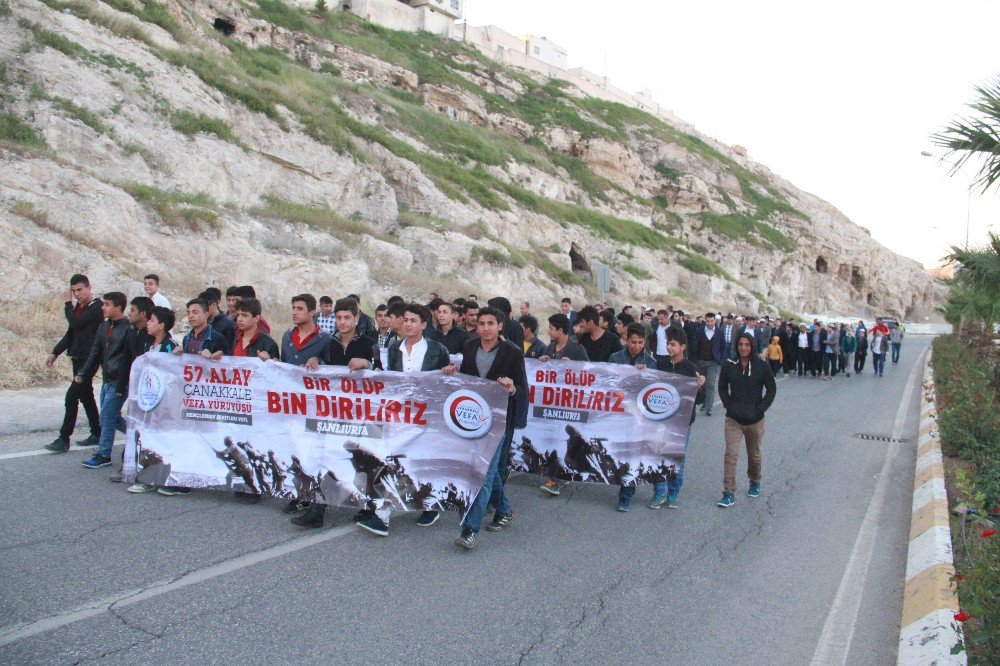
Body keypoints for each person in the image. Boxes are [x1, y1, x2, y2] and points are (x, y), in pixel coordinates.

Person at [357, 302, 450, 537]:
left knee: (419, 463)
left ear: (424, 325)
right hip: (399, 415)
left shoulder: (437, 350)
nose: (408, 324)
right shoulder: (394, 346)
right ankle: (382, 515)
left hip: (426, 418)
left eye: (413, 321)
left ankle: (429, 505)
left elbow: (447, 384)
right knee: (391, 460)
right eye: (406, 320)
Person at [446, 307, 528, 550]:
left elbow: (522, 389)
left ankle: (469, 529)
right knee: (489, 472)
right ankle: (503, 509)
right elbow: (468, 382)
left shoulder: (512, 353)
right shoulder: (470, 347)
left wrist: (511, 388)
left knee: (483, 474)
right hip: (472, 421)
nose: (485, 328)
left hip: (499, 422)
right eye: (481, 323)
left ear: (500, 326)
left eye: (490, 323)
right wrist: (453, 373)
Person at [717, 333, 776, 507]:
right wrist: (729, 405)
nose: (743, 347)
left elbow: (771, 389)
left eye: (747, 344)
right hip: (733, 420)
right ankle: (728, 492)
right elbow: (722, 386)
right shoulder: (729, 365)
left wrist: (760, 409)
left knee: (754, 455)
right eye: (740, 344)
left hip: (755, 420)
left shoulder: (762, 366)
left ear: (752, 346)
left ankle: (755, 480)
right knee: (731, 456)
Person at [45, 274, 103, 452]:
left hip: (89, 359)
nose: (77, 294)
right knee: (85, 395)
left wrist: (67, 304)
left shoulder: (96, 307)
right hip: (77, 358)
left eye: (80, 290)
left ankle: (64, 438)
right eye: (74, 291)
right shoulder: (79, 307)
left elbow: (75, 322)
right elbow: (71, 332)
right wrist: (55, 352)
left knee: (71, 397)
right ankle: (97, 432)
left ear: (89, 288)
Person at [75, 292, 130, 469]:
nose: (103, 307)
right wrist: (83, 373)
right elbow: (95, 352)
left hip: (120, 380)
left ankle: (104, 454)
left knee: (106, 418)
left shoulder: (128, 328)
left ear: (118, 307)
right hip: (107, 379)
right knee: (111, 417)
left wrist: (124, 381)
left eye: (107, 304)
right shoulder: (103, 327)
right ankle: (139, 434)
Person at [690, 312, 725, 417]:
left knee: (710, 383)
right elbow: (694, 345)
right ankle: (704, 402)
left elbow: (723, 348)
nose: (710, 323)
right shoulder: (699, 331)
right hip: (700, 361)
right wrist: (693, 360)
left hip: (713, 362)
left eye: (712, 321)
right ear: (705, 321)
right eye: (708, 321)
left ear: (715, 321)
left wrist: (721, 360)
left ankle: (709, 407)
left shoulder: (720, 332)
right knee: (701, 384)